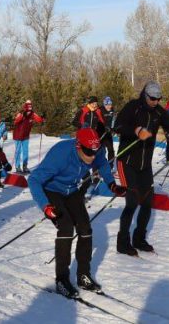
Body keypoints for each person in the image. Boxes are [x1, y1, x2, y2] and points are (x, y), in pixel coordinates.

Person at [29, 127, 126, 298]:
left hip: (72, 191)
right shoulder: (61, 153)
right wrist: (45, 206)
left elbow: (102, 163)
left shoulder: (95, 151)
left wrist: (111, 184)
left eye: (95, 151)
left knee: (85, 229)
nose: (92, 156)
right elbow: (34, 179)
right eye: (88, 152)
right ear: (78, 146)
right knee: (66, 228)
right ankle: (62, 280)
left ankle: (83, 275)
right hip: (52, 191)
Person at [115, 81, 169, 256]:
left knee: (147, 202)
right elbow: (117, 125)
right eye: (153, 98)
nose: (156, 101)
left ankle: (139, 238)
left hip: (144, 164)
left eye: (159, 98)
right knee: (132, 202)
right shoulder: (133, 107)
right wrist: (136, 130)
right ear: (145, 95)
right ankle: (122, 242)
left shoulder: (158, 112)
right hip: (127, 161)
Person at [12, 100, 43, 174]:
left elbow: (39, 120)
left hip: (25, 136)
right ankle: (17, 167)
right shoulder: (21, 114)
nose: (29, 111)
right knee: (18, 151)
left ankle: (25, 166)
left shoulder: (32, 114)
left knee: (25, 151)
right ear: (25, 108)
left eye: (30, 109)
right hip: (18, 136)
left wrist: (42, 119)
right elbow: (16, 121)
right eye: (27, 109)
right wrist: (22, 115)